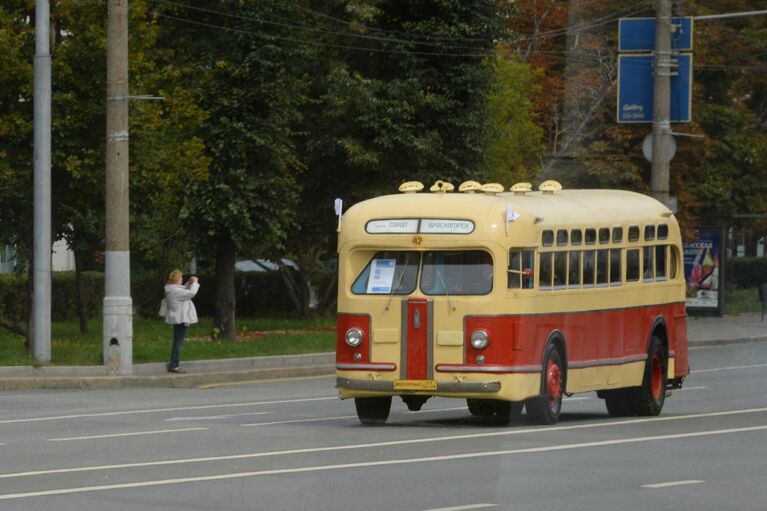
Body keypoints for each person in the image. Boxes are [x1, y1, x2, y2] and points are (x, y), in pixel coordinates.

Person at [164, 269, 199, 374]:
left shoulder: (171, 289)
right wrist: (196, 283)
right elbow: (191, 293)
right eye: (181, 278)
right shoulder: (176, 291)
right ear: (176, 279)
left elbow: (184, 289)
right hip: (181, 319)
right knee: (178, 343)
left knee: (177, 342)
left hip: (178, 319)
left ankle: (174, 364)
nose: (182, 280)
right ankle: (174, 365)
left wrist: (189, 283)